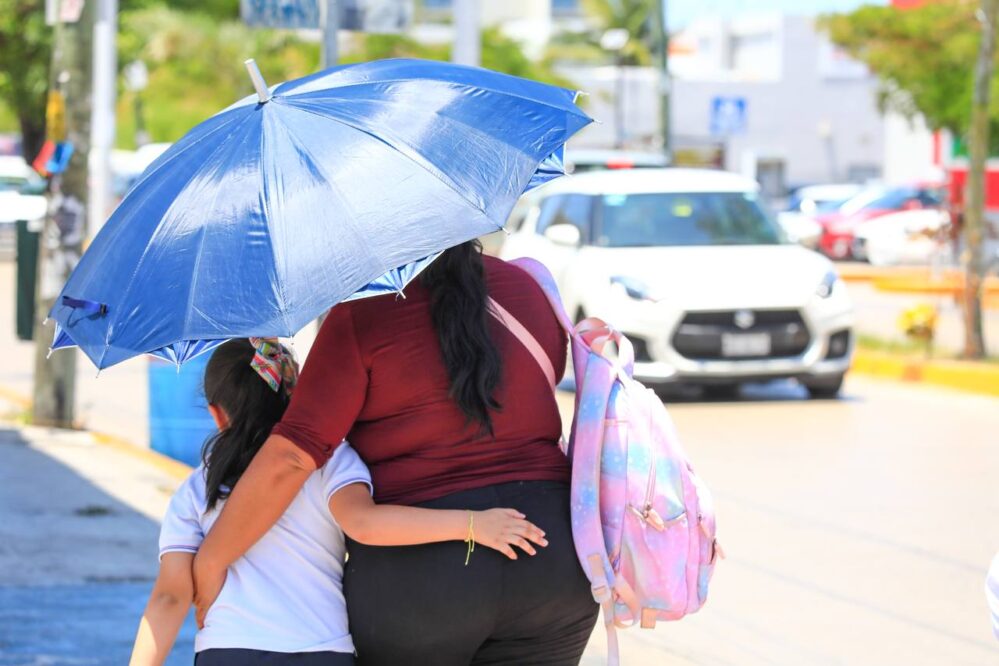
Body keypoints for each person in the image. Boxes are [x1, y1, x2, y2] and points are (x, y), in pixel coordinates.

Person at [192, 241, 599, 665]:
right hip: (551, 559)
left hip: (421, 577)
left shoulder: (361, 314)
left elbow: (293, 456)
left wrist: (212, 559)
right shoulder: (525, 288)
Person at [129, 338, 547, 666]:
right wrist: (473, 524)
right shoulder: (329, 461)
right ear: (292, 396)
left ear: (217, 414)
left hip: (229, 650)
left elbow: (169, 598)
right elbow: (365, 524)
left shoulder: (195, 491)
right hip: (321, 651)